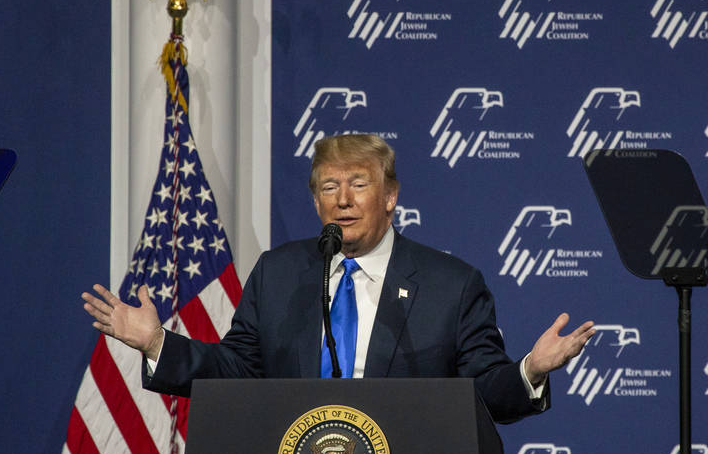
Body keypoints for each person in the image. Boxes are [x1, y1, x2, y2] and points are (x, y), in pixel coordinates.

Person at [83, 134, 596, 424]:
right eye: (329, 186)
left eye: (358, 184)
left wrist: (530, 369)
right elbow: (238, 370)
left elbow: (484, 391)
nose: (343, 199)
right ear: (316, 201)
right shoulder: (279, 273)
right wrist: (157, 342)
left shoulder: (450, 285)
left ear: (391, 196)